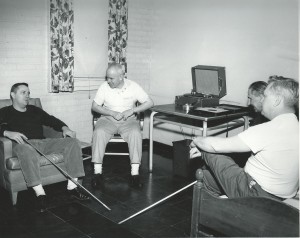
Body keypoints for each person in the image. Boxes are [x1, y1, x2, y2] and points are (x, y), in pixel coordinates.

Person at [190, 77, 299, 200]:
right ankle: (217, 208)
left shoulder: (270, 129)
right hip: (280, 195)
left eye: (266, 96)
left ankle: (222, 209)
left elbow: (214, 146)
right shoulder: (294, 125)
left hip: (255, 193)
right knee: (207, 177)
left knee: (211, 152)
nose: (262, 101)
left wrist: (197, 141)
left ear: (277, 101)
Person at [0, 83, 89, 212]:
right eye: (23, 92)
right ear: (13, 95)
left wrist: (65, 128)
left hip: (43, 143)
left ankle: (72, 187)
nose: (27, 96)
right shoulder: (5, 112)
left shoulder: (34, 109)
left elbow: (51, 120)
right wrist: (7, 132)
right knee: (26, 149)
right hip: (22, 145)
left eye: (28, 93)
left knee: (73, 142)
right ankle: (40, 194)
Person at [91, 63, 154, 189]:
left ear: (121, 76)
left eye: (111, 78)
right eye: (107, 77)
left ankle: (134, 174)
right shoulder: (104, 87)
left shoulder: (133, 86)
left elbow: (150, 103)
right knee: (99, 132)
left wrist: (132, 111)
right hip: (108, 119)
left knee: (136, 133)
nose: (108, 81)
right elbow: (94, 106)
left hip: (128, 120)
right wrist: (111, 112)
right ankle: (97, 173)